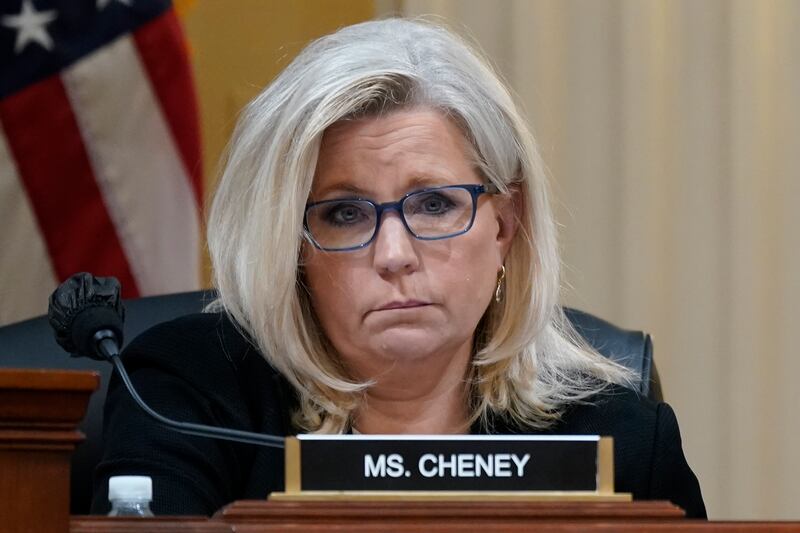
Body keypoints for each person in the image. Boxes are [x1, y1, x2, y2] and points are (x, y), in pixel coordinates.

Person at [91, 18, 706, 517]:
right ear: (292, 244)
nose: (392, 254)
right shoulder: (182, 397)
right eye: (345, 214)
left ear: (505, 224)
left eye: (435, 204)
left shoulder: (616, 439)